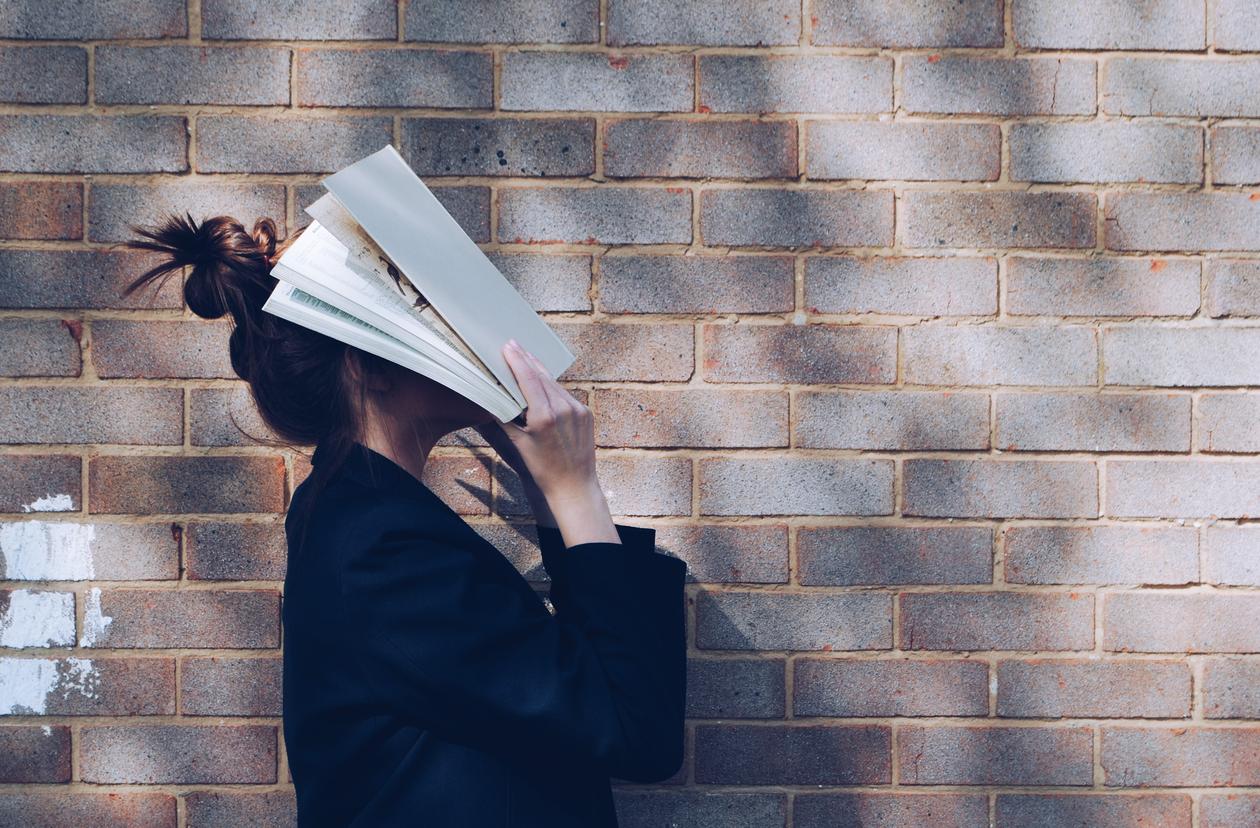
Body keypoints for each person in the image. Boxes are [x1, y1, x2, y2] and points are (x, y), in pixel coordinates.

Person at [120, 213, 688, 826]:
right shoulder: (380, 551)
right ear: (371, 365)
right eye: (427, 316)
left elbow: (583, 697)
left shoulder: (364, 520)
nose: (464, 335)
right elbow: (636, 731)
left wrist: (547, 488)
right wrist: (577, 489)